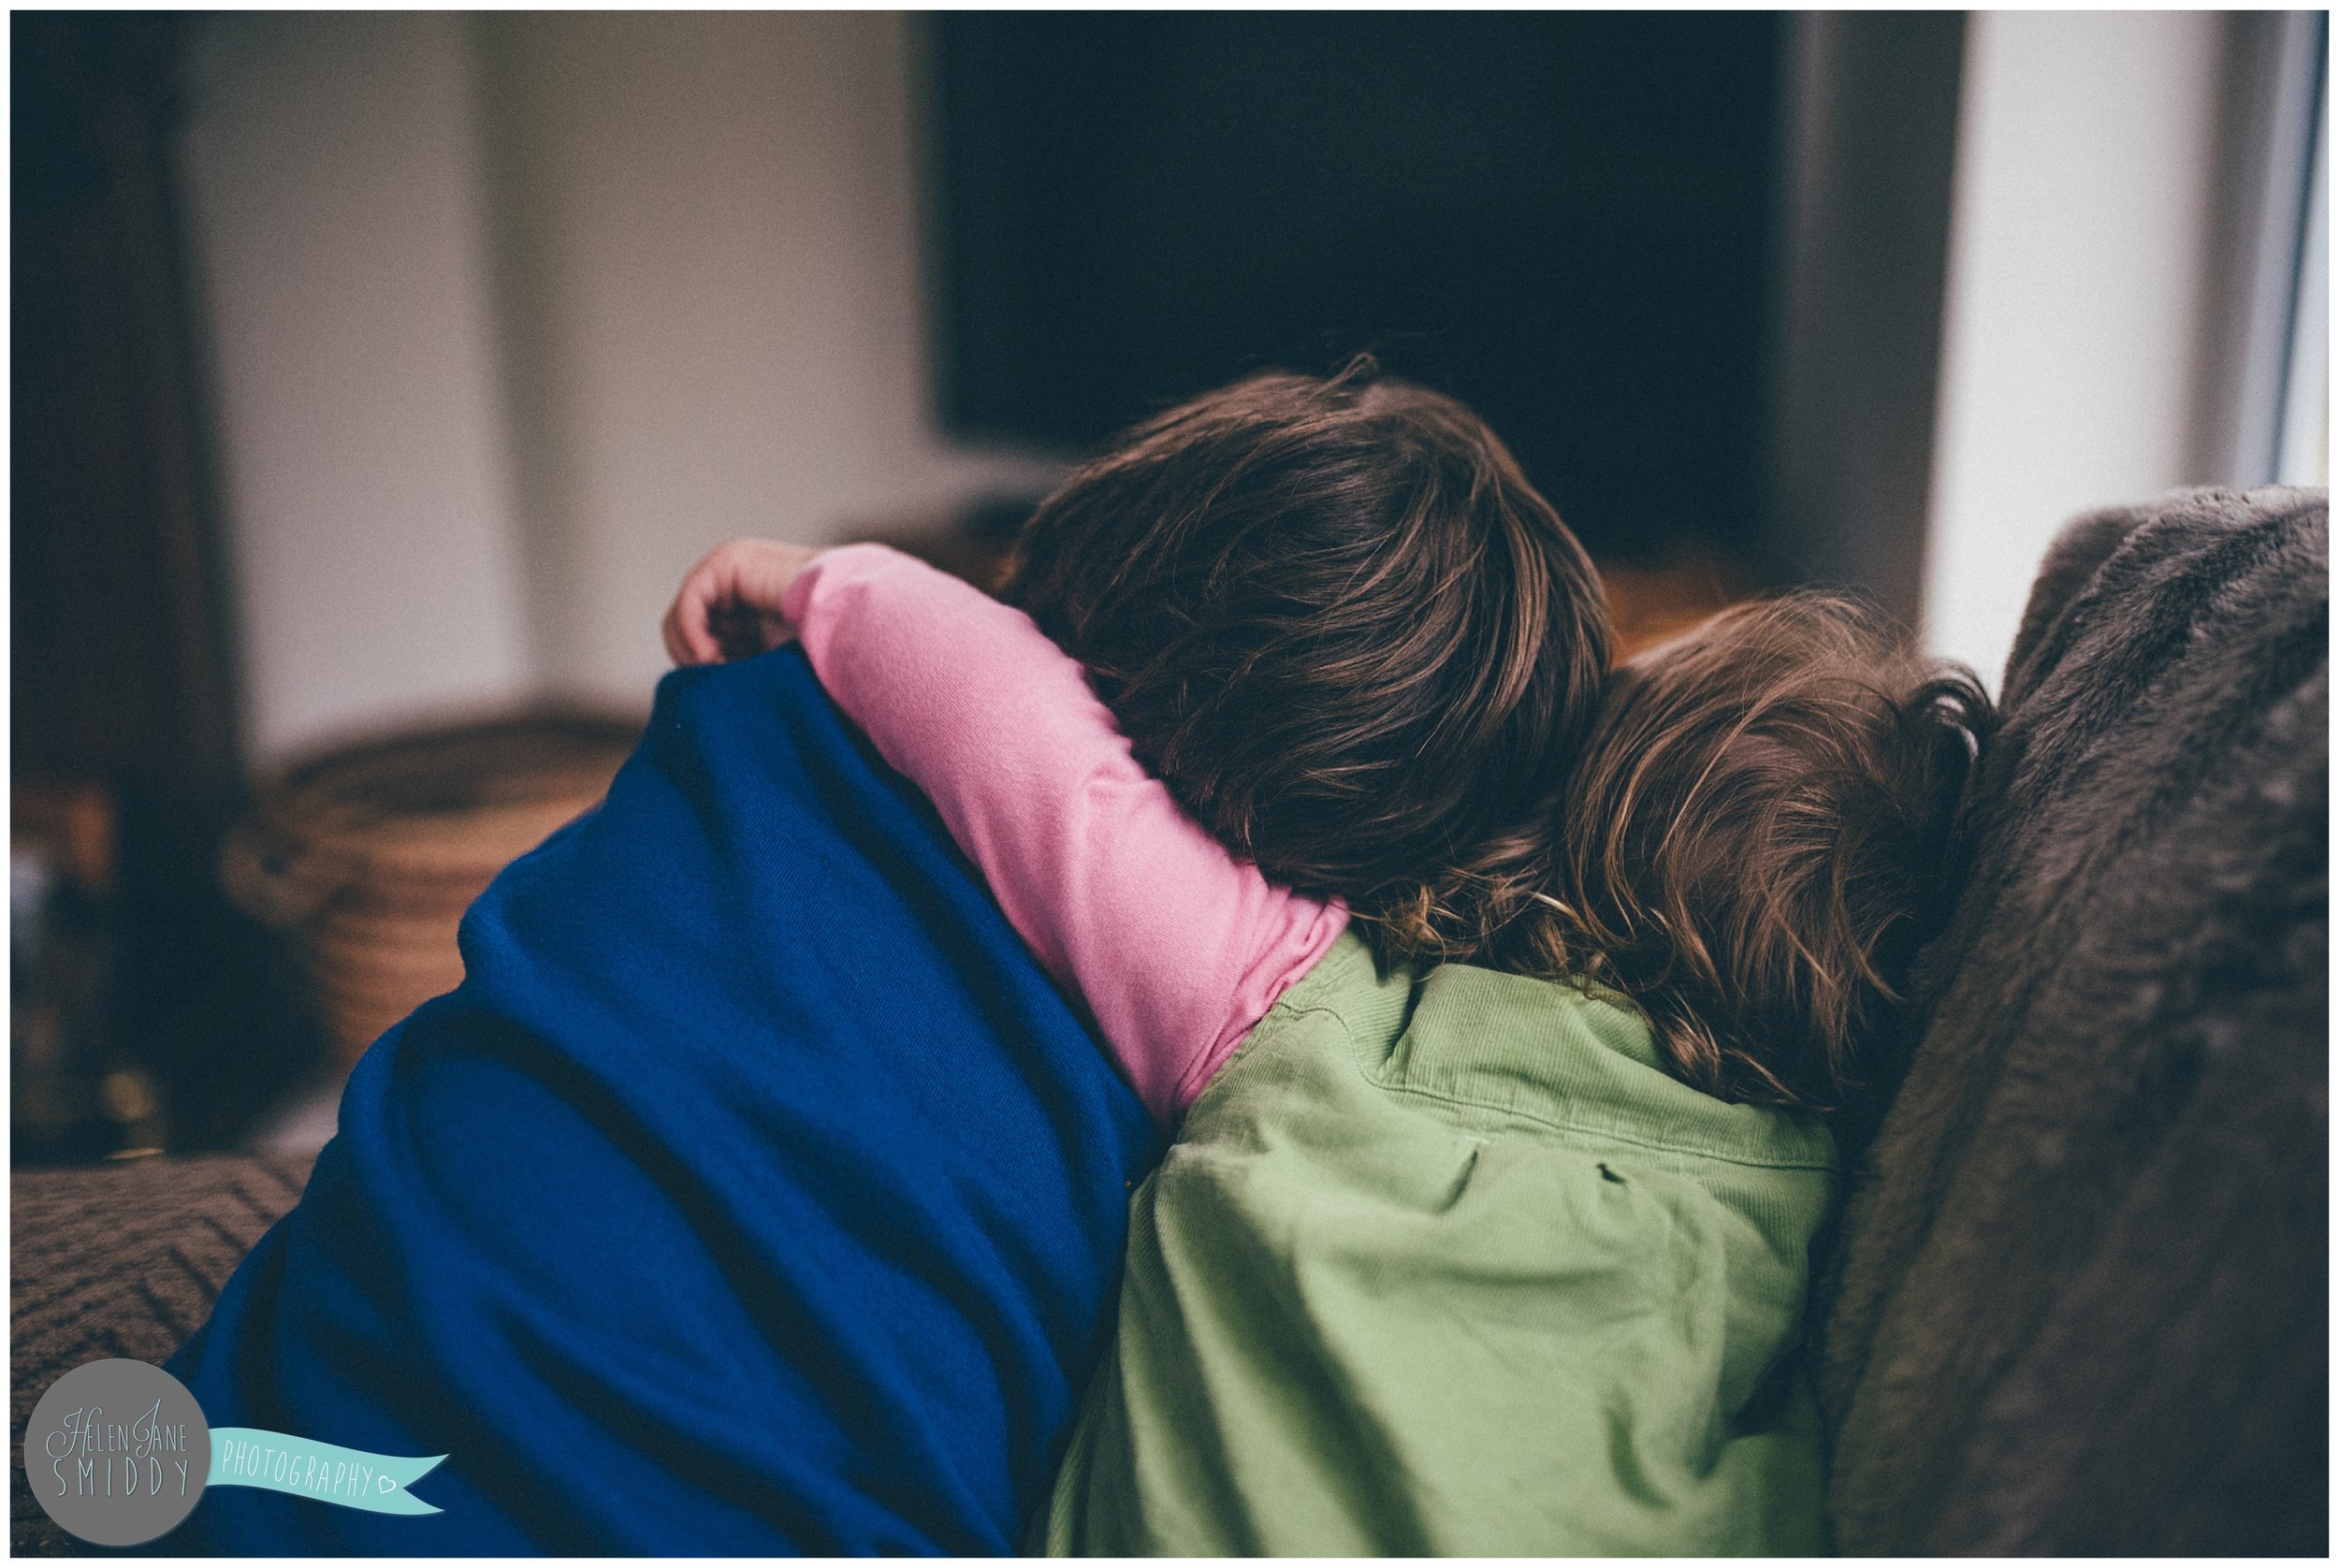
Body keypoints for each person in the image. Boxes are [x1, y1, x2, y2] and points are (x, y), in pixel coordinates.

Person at [667, 529, 1988, 1553]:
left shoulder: (1309, 999)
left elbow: (1021, 744)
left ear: (1566, 794)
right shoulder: (1813, 1202)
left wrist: (826, 581)